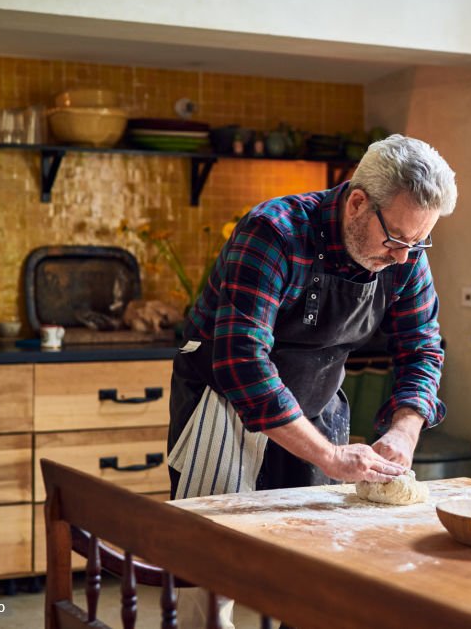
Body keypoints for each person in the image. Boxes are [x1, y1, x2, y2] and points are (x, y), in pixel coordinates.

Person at [166, 134, 456, 628]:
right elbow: (243, 360)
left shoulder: (403, 254)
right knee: (211, 580)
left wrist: (404, 430)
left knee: (311, 569)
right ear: (358, 204)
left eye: (418, 242)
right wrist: (330, 456)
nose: (405, 257)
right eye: (397, 240)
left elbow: (423, 347)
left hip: (319, 404)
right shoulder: (273, 232)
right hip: (226, 411)